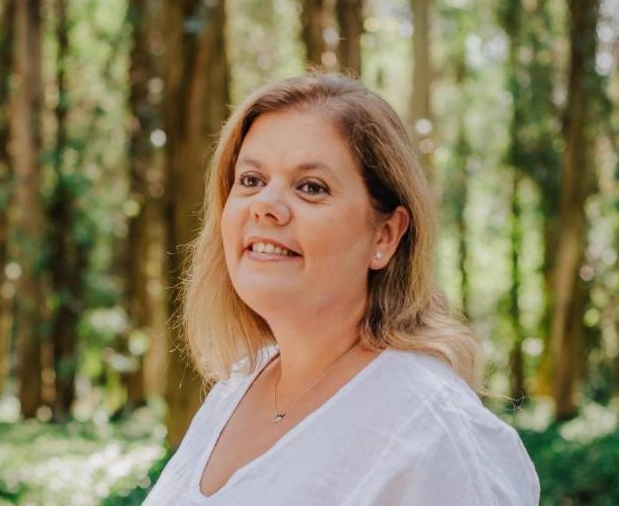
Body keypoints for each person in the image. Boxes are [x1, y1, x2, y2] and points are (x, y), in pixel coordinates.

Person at [143, 74, 540, 505]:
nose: (265, 206)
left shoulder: (435, 433)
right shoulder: (234, 388)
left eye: (311, 187)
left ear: (385, 235)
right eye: (252, 180)